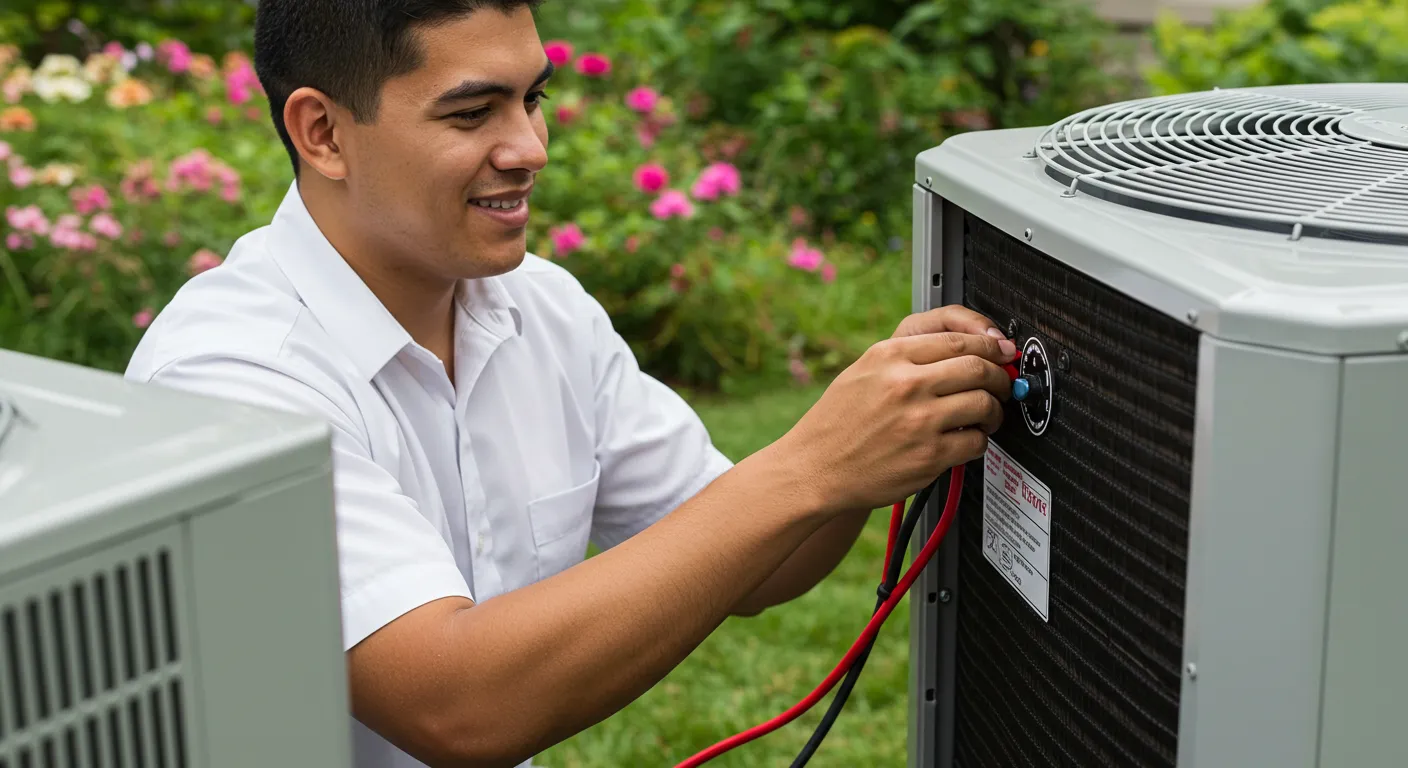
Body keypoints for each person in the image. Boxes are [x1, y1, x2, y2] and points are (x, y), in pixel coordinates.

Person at [123, 1, 1018, 766]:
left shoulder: (540, 307)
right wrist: (810, 469)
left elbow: (759, 560)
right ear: (323, 132)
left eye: (533, 98)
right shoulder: (230, 380)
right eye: (472, 114)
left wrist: (876, 433)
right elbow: (457, 707)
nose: (530, 148)